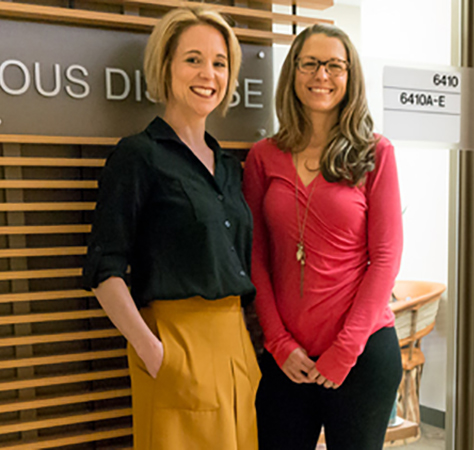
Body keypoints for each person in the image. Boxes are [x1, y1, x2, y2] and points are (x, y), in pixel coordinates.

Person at [80, 7, 259, 450]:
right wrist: (153, 351)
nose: (208, 74)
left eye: (220, 63)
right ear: (166, 67)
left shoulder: (230, 168)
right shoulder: (138, 156)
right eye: (193, 59)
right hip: (175, 340)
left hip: (236, 344)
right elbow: (104, 268)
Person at [244, 24, 404, 450]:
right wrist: (277, 343)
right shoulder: (263, 157)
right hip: (285, 359)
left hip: (362, 355)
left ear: (350, 77)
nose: (322, 76)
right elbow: (255, 255)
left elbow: (386, 257)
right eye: (311, 64)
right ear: (293, 72)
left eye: (335, 65)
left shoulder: (375, 152)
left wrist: (345, 350)